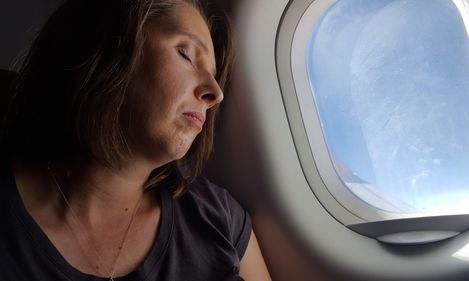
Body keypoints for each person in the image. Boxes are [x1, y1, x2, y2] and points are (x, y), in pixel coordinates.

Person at [0, 0, 271, 280]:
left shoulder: (219, 217)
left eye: (215, 77)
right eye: (186, 54)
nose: (216, 93)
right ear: (107, 48)